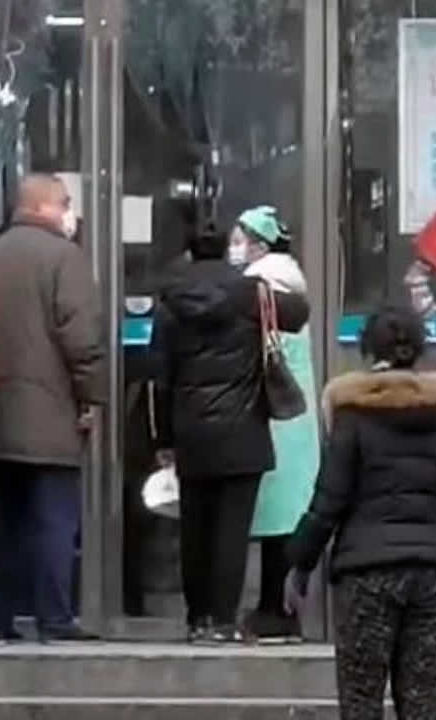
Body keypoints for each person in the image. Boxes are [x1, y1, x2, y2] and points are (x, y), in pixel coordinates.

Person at [285, 305, 436, 719]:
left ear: (369, 349)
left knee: (361, 699)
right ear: (419, 349)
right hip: (433, 571)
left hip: (365, 571)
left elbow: (329, 500)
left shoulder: (354, 415)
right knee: (420, 698)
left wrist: (300, 564)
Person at [149, 225, 309, 643]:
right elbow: (299, 313)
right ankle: (223, 621)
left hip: (191, 432)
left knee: (194, 529)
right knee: (231, 533)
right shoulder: (250, 293)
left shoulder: (170, 303)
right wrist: (264, 283)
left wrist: (164, 439)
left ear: (189, 254)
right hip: (244, 429)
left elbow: (160, 379)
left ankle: (197, 617)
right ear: (227, 251)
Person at [0, 174, 105, 642]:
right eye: (65, 203)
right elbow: (81, 338)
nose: (70, 213)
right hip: (51, 411)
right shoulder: (64, 258)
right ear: (41, 206)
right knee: (54, 521)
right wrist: (92, 396)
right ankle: (54, 617)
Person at [228, 206, 321, 642]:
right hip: (293, 419)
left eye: (239, 240)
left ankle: (272, 610)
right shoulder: (291, 283)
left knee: (272, 517)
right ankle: (279, 607)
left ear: (260, 245)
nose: (234, 249)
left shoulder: (263, 287)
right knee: (284, 519)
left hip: (273, 417)